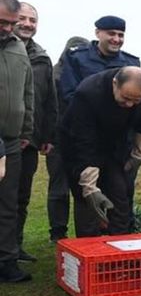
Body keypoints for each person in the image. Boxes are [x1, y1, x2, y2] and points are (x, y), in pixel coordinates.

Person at [59, 67, 141, 237]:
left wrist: (137, 156)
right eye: (125, 98)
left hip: (113, 147)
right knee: (88, 200)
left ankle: (120, 243)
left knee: (120, 193)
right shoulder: (87, 94)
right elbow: (84, 142)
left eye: (136, 101)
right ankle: (88, 245)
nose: (129, 105)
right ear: (115, 84)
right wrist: (90, 187)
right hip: (77, 145)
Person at [13, 2, 58, 261]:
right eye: (22, 18)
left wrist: (48, 136)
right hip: (4, 137)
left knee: (21, 196)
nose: (28, 24)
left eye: (33, 20)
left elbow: (50, 100)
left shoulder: (42, 58)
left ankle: (14, 246)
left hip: (29, 140)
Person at [0, 0, 34, 283]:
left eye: (11, 23)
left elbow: (28, 91)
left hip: (11, 141)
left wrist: (26, 129)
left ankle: (6, 262)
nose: (8, 28)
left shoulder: (18, 47)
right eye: (2, 22)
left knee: (7, 204)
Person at [46, 36, 88, 242]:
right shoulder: (55, 75)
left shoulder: (82, 76)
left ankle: (82, 231)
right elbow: (49, 109)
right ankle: (58, 231)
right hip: (59, 138)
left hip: (79, 139)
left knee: (83, 186)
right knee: (59, 188)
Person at [57, 15, 140, 104]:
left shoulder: (131, 64)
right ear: (97, 33)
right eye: (111, 34)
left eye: (120, 35)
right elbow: (69, 93)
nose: (116, 39)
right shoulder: (76, 57)